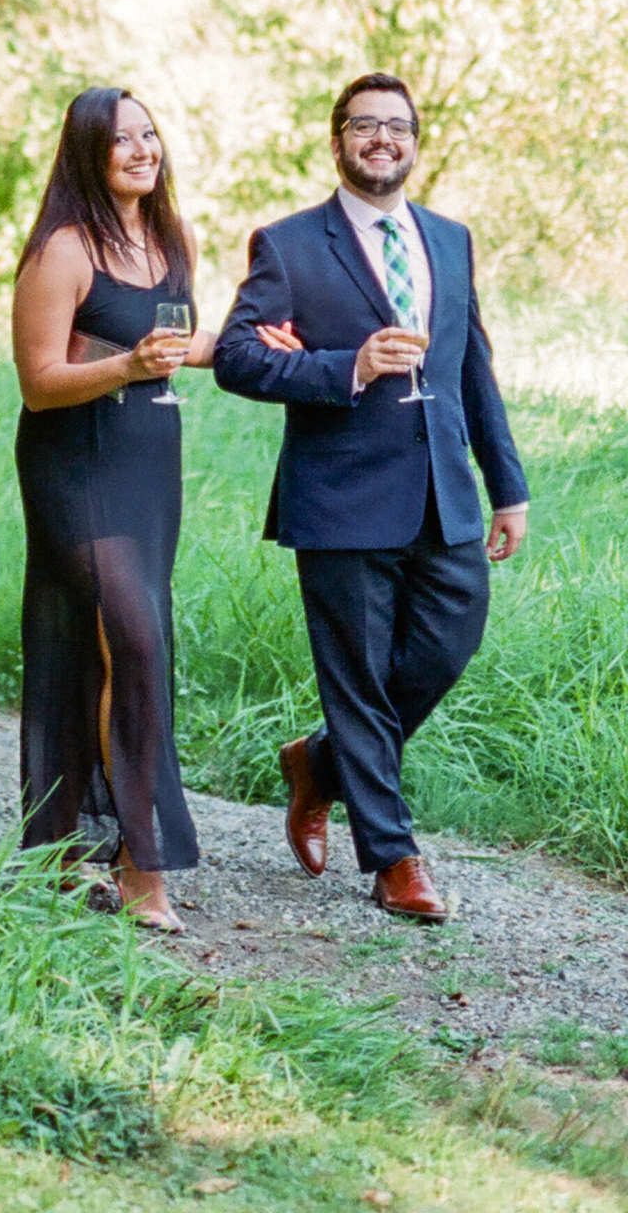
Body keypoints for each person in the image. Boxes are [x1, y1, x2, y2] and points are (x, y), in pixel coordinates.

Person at [213, 73, 529, 924]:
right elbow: (238, 357)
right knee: (355, 675)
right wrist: (342, 367)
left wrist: (509, 487)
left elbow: (472, 367)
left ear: (416, 142)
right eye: (365, 126)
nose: (381, 139)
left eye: (398, 126)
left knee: (449, 642)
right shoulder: (287, 244)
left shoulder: (451, 241)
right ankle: (394, 861)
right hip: (341, 497)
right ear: (338, 139)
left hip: (444, 496)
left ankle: (319, 764)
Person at [9, 87, 220, 932]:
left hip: (148, 461)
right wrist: (127, 369)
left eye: (149, 134)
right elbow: (38, 381)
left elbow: (177, 343)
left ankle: (62, 848)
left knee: (97, 647)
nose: (141, 150)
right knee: (136, 642)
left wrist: (243, 345)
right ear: (88, 155)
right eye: (121, 141)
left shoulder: (171, 239)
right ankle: (144, 869)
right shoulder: (64, 249)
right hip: (73, 462)